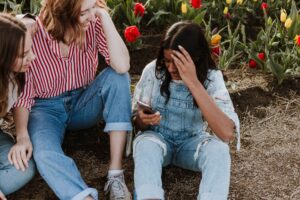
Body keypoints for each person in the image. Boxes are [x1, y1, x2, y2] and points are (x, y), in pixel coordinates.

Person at [14, 0, 132, 199]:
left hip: (83, 102)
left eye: (94, 8)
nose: (92, 16)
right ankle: (81, 196)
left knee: (119, 77)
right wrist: (22, 135)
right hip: (45, 110)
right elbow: (23, 92)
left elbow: (122, 66)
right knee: (44, 154)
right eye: (85, 12)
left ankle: (115, 175)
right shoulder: (33, 32)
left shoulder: (93, 24)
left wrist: (104, 16)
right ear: (63, 12)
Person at [132, 21, 240, 200]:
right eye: (167, 61)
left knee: (219, 150)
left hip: (192, 142)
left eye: (177, 63)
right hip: (158, 140)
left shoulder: (211, 78)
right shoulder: (153, 71)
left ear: (195, 59)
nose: (171, 68)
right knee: (145, 145)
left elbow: (226, 133)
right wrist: (142, 120)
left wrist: (193, 82)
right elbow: (137, 120)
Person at [0, 13, 36, 200]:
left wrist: (28, 19)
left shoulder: (14, 77)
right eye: (24, 55)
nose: (33, 57)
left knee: (23, 168)